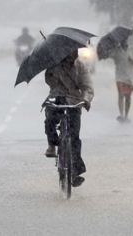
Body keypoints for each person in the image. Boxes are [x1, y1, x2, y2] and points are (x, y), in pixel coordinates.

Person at [43, 50, 94, 187]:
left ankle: (75, 173)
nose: (74, 53)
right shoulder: (54, 65)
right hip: (56, 97)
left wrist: (86, 100)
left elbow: (87, 87)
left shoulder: (81, 67)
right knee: (50, 119)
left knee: (74, 138)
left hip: (74, 102)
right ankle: (52, 145)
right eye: (71, 51)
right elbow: (49, 81)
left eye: (75, 51)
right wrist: (53, 70)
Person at [108, 37, 133, 123]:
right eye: (122, 41)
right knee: (121, 95)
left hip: (129, 77)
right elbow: (108, 55)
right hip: (119, 76)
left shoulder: (132, 49)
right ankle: (121, 115)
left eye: (125, 40)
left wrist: (132, 60)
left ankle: (126, 115)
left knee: (128, 97)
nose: (123, 42)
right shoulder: (116, 50)